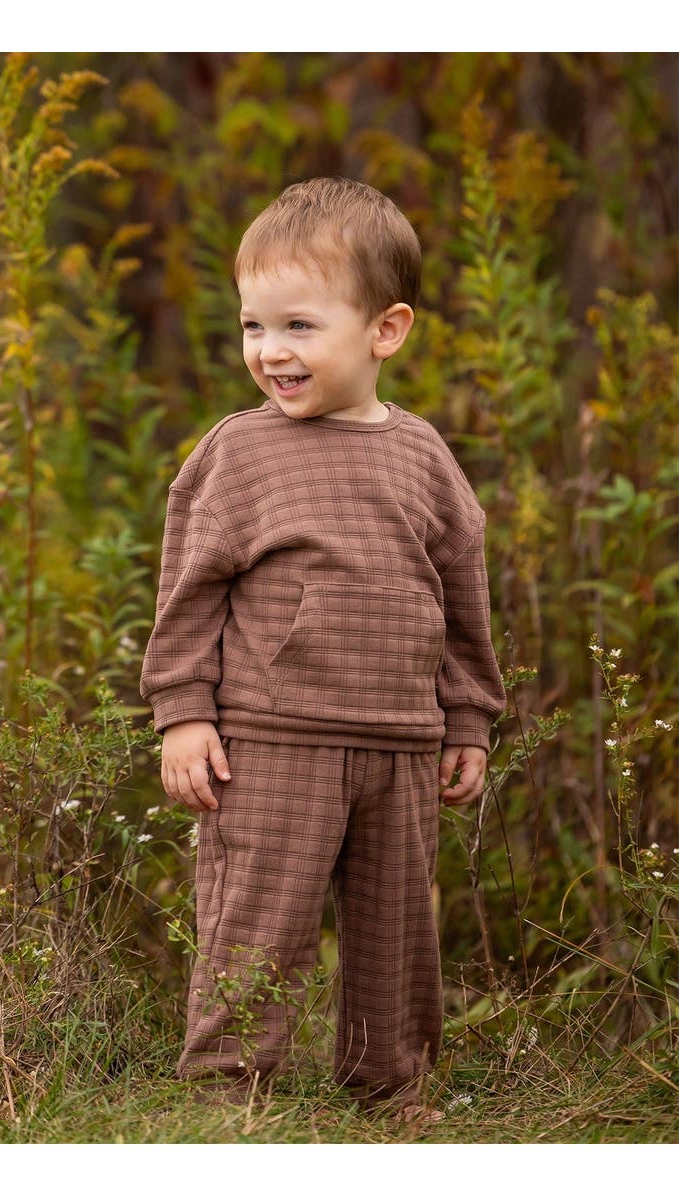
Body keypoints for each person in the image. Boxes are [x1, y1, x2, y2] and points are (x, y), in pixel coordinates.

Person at [140, 177, 506, 1115]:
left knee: (396, 933)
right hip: (271, 739)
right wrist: (183, 714)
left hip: (400, 742)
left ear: (385, 330)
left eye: (299, 326)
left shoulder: (423, 456)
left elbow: (462, 596)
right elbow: (189, 595)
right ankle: (228, 1095)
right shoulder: (239, 453)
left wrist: (468, 715)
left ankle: (391, 1087)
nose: (270, 352)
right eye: (253, 326)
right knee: (257, 927)